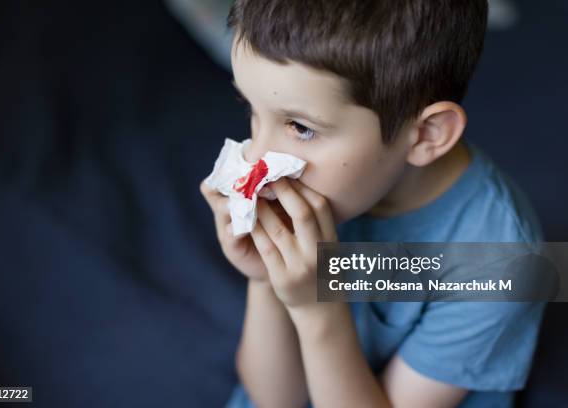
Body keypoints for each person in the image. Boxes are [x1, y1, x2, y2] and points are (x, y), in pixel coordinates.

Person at [200, 1, 546, 407]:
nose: (256, 159)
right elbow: (273, 399)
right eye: (251, 110)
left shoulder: (498, 264)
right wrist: (265, 278)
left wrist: (317, 313)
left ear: (427, 135)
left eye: (299, 127)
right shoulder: (327, 187)